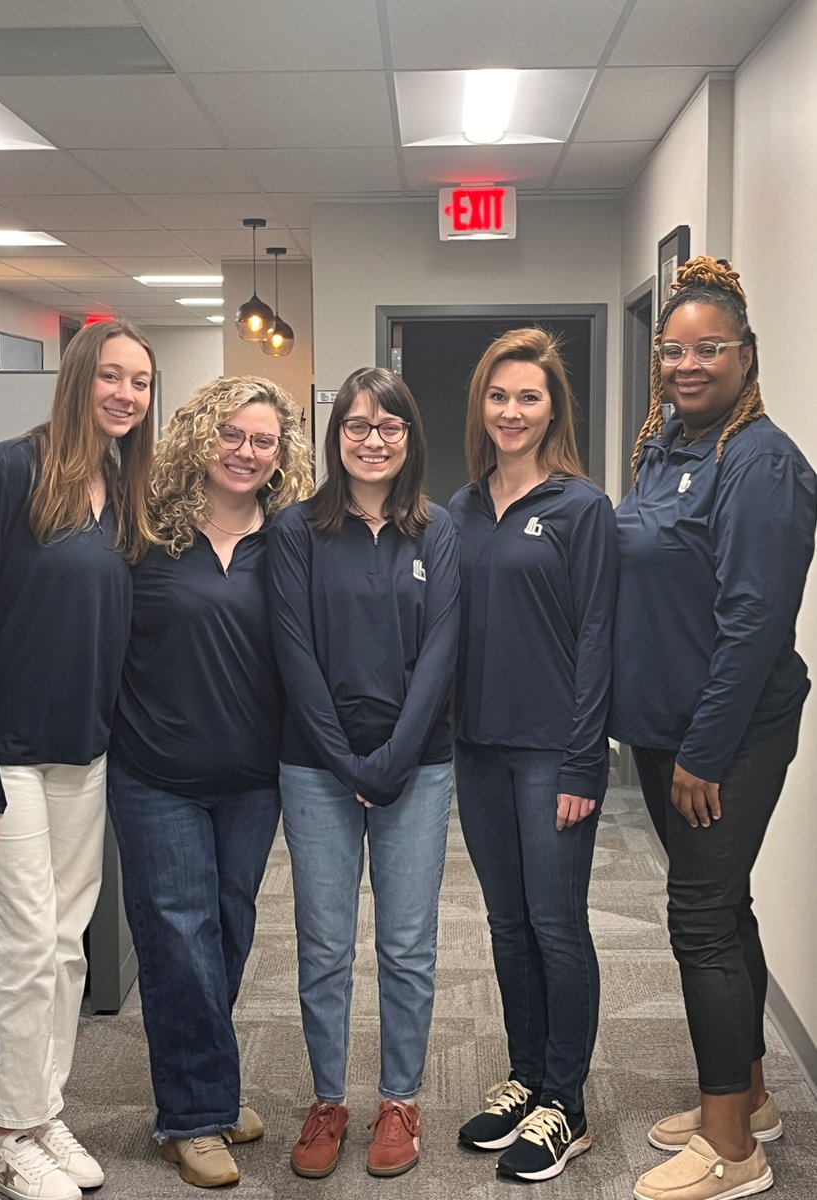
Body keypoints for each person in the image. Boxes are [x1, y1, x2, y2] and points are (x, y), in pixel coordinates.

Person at [610, 257, 816, 1200]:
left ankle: (735, 1150)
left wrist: (703, 750)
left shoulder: (763, 463)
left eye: (709, 349)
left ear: (747, 356)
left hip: (725, 735)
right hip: (665, 729)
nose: (687, 363)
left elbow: (753, 623)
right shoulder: (666, 443)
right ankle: (752, 1097)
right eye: (673, 348)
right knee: (723, 907)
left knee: (697, 919)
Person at [0, 319, 156, 1200]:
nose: (125, 393)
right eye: (111, 376)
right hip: (9, 757)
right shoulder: (10, 471)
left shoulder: (120, 488)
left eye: (141, 382)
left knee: (68, 949)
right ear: (79, 377)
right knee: (20, 950)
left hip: (85, 753)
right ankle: (3, 1135)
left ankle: (42, 1111)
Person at [106, 376, 312, 1188]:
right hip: (156, 773)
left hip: (253, 778)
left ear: (280, 454)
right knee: (177, 936)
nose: (246, 452)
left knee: (226, 930)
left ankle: (208, 1088)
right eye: (232, 434)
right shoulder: (146, 534)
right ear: (200, 436)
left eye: (264, 441)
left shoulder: (289, 539)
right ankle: (191, 1114)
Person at [267, 367, 459, 1180]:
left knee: (409, 944)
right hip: (316, 766)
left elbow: (445, 648)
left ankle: (401, 1099)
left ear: (410, 438)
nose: (372, 440)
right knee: (323, 944)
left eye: (389, 426)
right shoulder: (297, 530)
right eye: (356, 425)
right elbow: (294, 652)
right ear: (335, 435)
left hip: (418, 767)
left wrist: (393, 760)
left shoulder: (437, 530)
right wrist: (345, 759)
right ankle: (327, 1100)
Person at [450, 328, 618, 1183]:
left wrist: (587, 762)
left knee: (557, 927)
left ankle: (568, 1104)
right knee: (507, 925)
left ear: (553, 408)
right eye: (499, 396)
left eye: (530, 397)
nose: (512, 411)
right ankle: (524, 1076)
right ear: (481, 404)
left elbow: (597, 638)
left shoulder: (582, 507)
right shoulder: (461, 507)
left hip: (554, 752)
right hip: (477, 751)